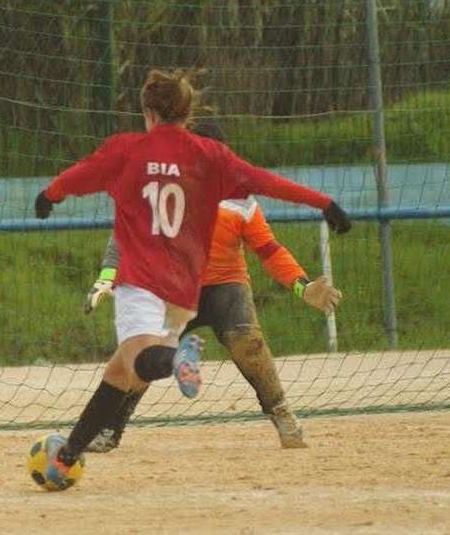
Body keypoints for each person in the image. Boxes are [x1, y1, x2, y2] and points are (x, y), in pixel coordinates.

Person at [33, 69, 351, 488]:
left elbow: (79, 175)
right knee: (120, 373)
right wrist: (324, 202)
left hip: (151, 280)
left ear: (147, 112)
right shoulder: (209, 157)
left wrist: (50, 194)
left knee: (143, 361)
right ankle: (70, 453)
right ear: (187, 112)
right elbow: (265, 180)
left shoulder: (128, 150)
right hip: (185, 285)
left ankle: (185, 362)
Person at [83, 123, 341, 450]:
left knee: (249, 345)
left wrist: (302, 287)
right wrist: (107, 277)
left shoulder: (240, 201)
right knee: (141, 353)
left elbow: (268, 250)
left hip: (225, 287)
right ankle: (108, 430)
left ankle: (282, 415)